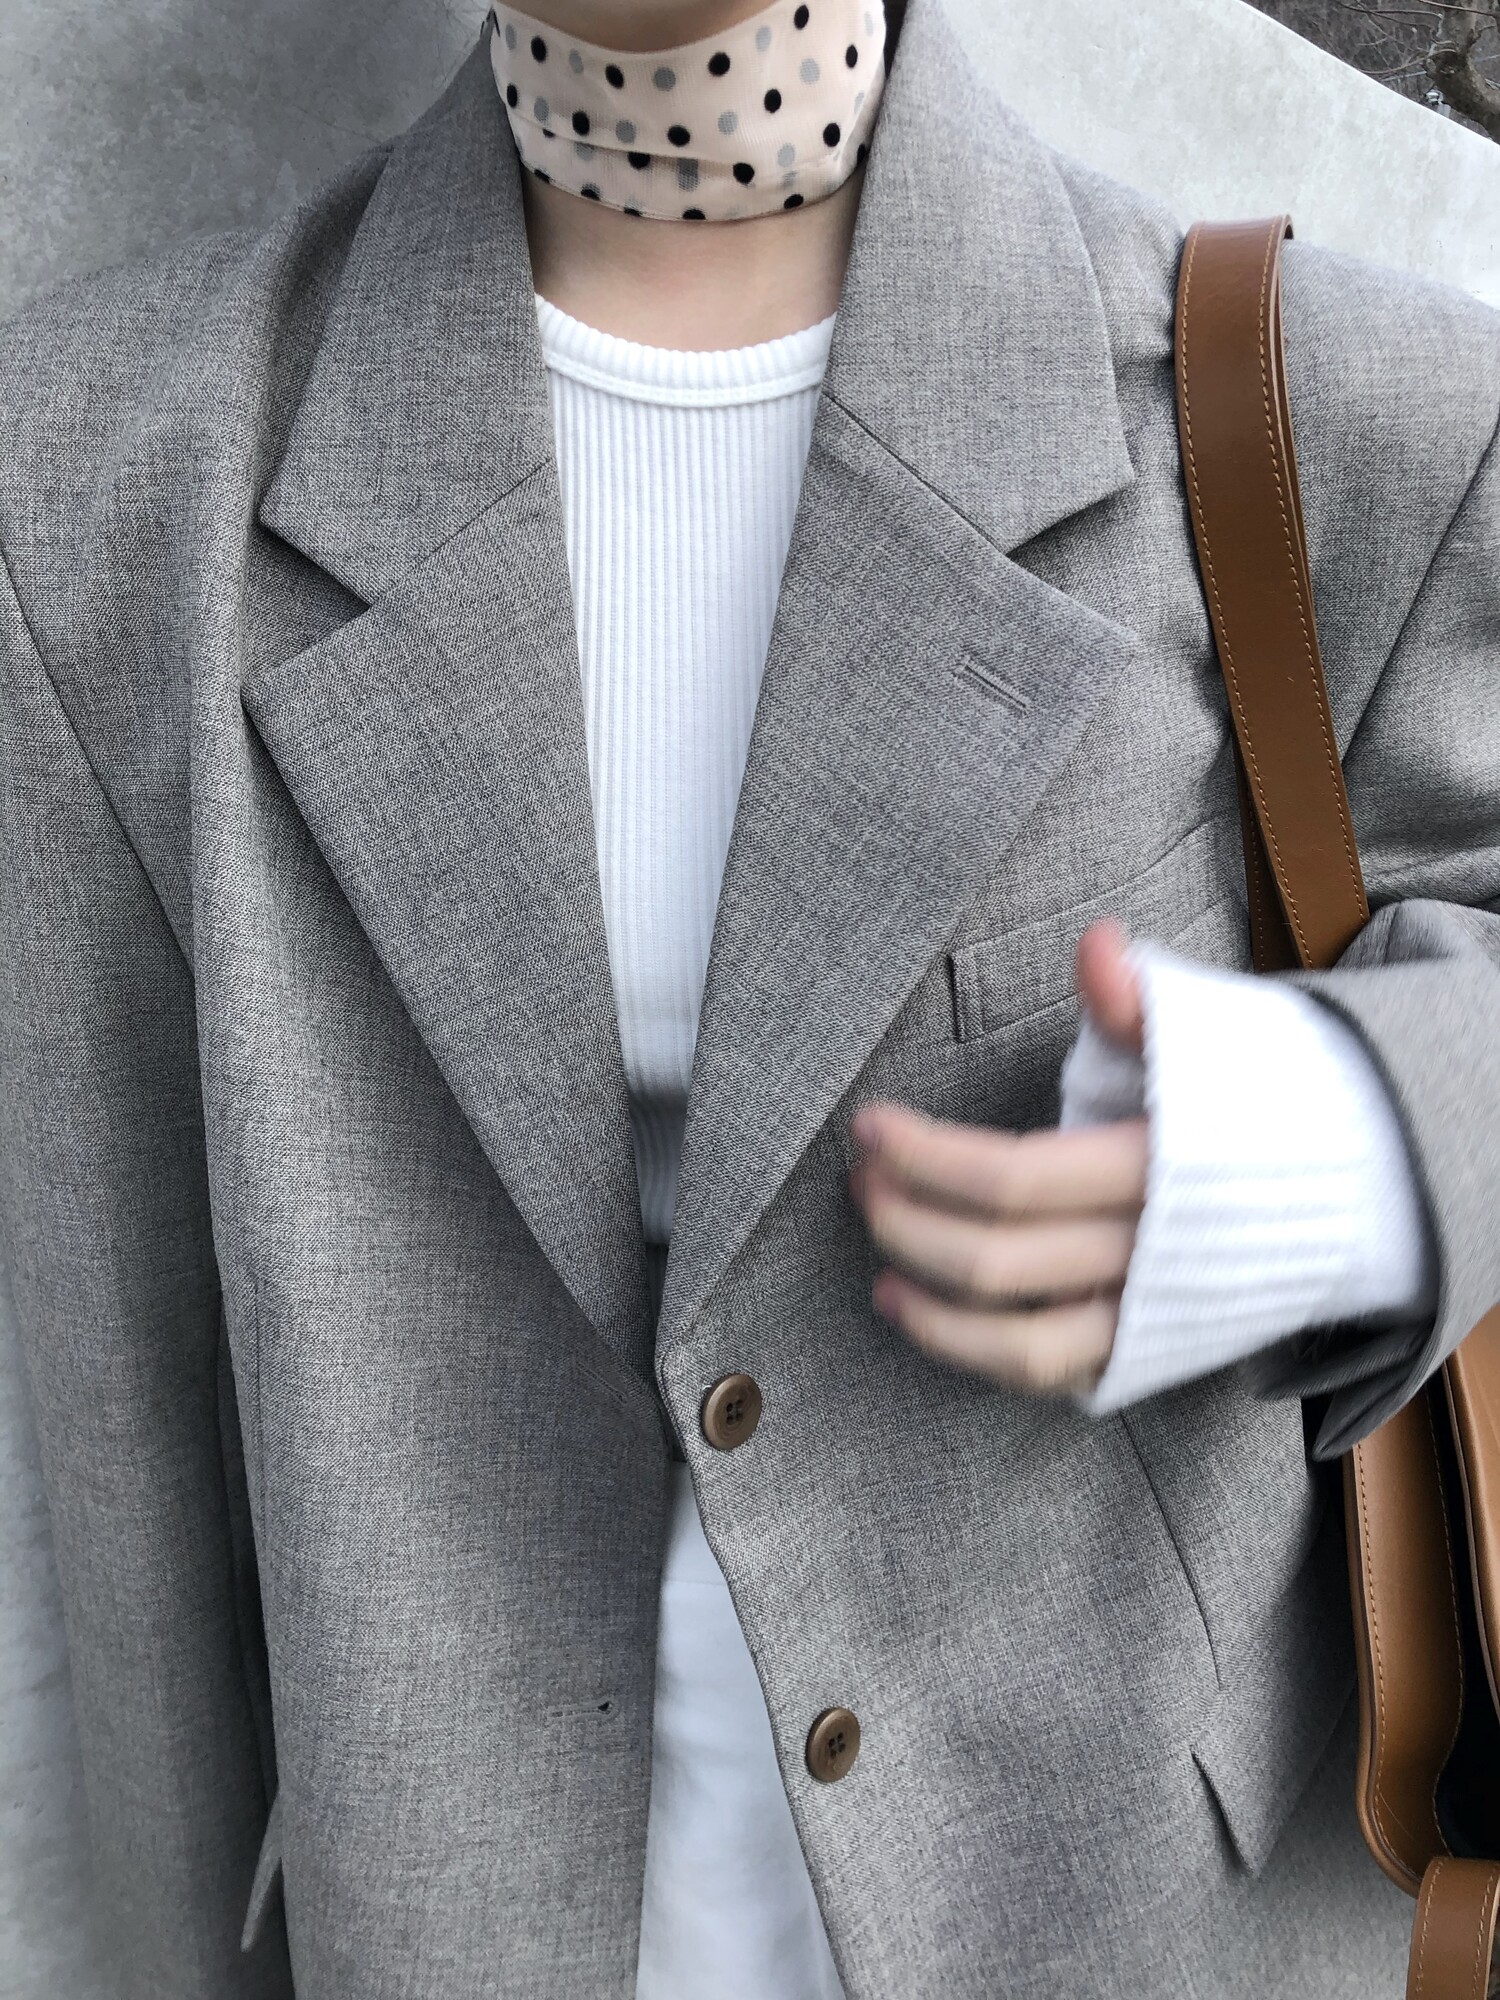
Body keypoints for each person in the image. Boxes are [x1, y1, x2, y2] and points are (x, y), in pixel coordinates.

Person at [1, 0, 1497, 1992]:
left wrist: (1352, 1147)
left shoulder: (1318, 410)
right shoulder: (108, 483)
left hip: (1116, 1915)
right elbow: (132, 1426)